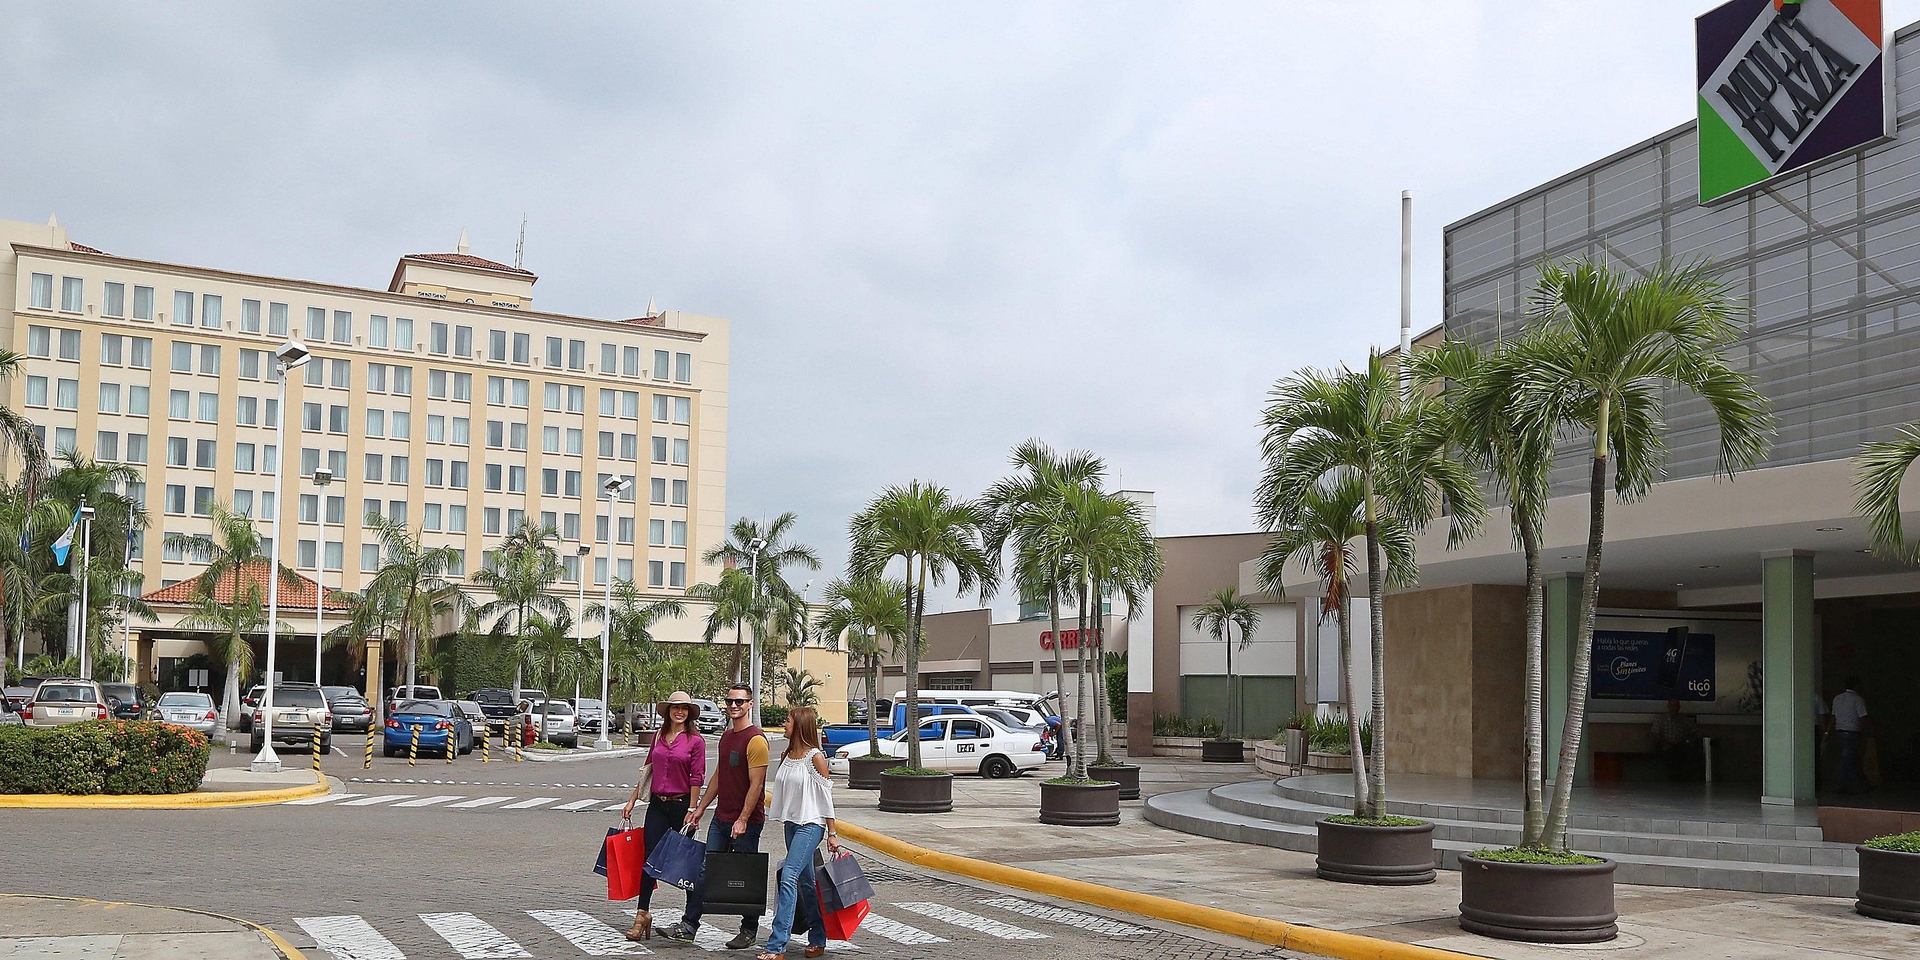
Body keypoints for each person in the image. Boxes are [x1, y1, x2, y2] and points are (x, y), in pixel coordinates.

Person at [660, 683, 769, 949]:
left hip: (747, 822)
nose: (734, 706)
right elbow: (719, 777)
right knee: (704, 871)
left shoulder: (756, 740)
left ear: (750, 704)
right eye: (730, 701)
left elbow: (756, 785)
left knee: (744, 876)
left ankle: (749, 929)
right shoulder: (727, 736)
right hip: (721, 819)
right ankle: (689, 926)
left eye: (740, 702)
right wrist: (699, 809)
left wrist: (743, 819)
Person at [620, 691, 706, 942]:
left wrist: (693, 809)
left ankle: (689, 922)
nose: (679, 712)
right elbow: (648, 770)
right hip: (657, 805)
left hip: (681, 808)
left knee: (685, 865)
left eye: (684, 709)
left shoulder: (695, 741)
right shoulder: (658, 736)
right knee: (649, 861)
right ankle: (641, 915)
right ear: (668, 710)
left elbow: (696, 777)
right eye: (675, 707)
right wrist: (632, 799)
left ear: (689, 713)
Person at [759, 707, 839, 960]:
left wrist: (832, 833)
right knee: (805, 882)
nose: (784, 724)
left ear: (800, 725)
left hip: (811, 825)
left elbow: (826, 798)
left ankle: (776, 946)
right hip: (791, 825)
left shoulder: (815, 758)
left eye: (788, 720)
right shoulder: (786, 755)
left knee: (789, 877)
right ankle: (818, 937)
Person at [1833, 677, 1873, 795]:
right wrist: (1873, 729)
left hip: (1839, 732)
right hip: (1852, 732)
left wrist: (1827, 731)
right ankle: (1839, 784)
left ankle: (1863, 784)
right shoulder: (1858, 699)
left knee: (1852, 759)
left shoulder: (1837, 698)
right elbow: (1862, 717)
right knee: (1848, 759)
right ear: (1856, 686)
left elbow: (1833, 715)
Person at [1651, 699, 1698, 781]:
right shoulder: (1661, 718)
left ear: (1679, 707)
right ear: (1668, 706)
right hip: (1665, 744)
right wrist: (1664, 742)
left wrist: (1685, 739)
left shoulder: (1684, 719)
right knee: (1669, 754)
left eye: (1676, 706)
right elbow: (1655, 733)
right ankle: (1672, 777)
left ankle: (1683, 778)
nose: (1674, 708)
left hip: (1680, 744)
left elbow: (1693, 730)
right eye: (1672, 706)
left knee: (1688, 753)